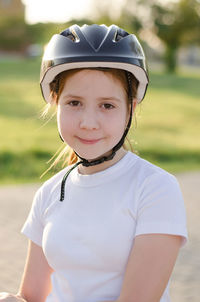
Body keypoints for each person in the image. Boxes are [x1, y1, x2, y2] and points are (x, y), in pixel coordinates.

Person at [0, 24, 188, 302]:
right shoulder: (50, 193)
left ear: (131, 108)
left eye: (107, 105)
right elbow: (32, 296)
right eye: (74, 103)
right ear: (55, 101)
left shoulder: (155, 188)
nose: (88, 123)